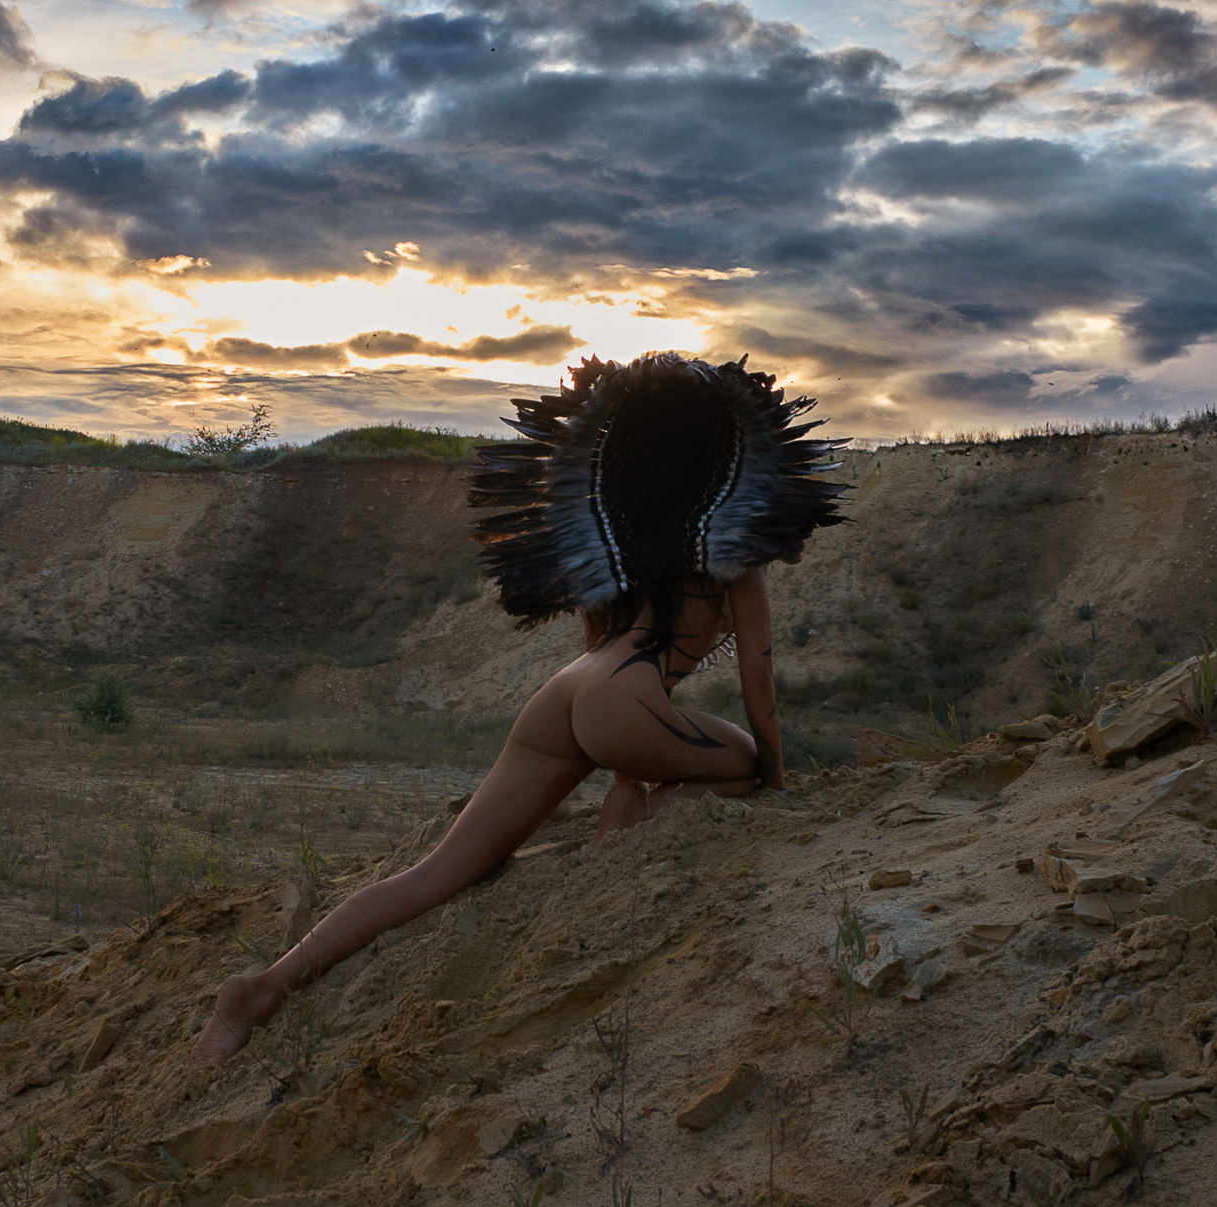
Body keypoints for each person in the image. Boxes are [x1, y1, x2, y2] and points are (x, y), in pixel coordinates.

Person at [193, 352, 847, 1064]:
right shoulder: (731, 556)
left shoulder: (616, 543)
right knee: (744, 762)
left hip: (568, 690)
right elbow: (759, 681)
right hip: (625, 701)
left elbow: (598, 641)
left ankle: (264, 986)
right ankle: (622, 834)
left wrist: (624, 757)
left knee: (435, 874)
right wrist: (779, 786)